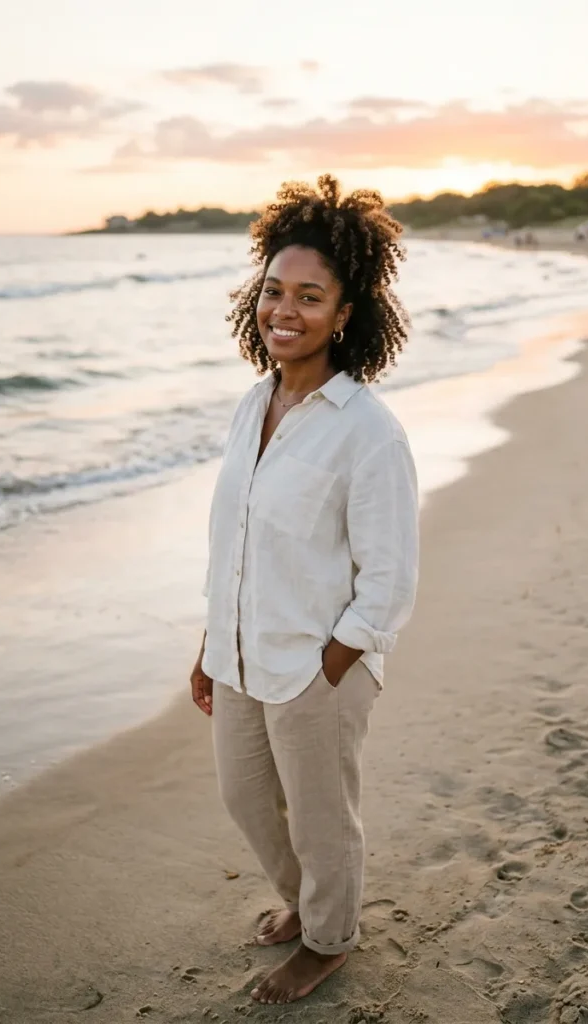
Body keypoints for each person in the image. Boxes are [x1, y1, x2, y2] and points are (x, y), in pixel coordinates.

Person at [190, 175, 419, 1005]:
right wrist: (210, 645)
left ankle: (328, 938)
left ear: (345, 312)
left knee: (324, 820)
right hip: (240, 654)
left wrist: (333, 663)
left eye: (309, 297)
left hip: (318, 666)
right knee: (245, 799)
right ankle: (303, 902)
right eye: (274, 291)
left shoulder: (366, 431)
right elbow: (235, 543)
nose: (283, 310)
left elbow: (389, 579)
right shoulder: (253, 404)